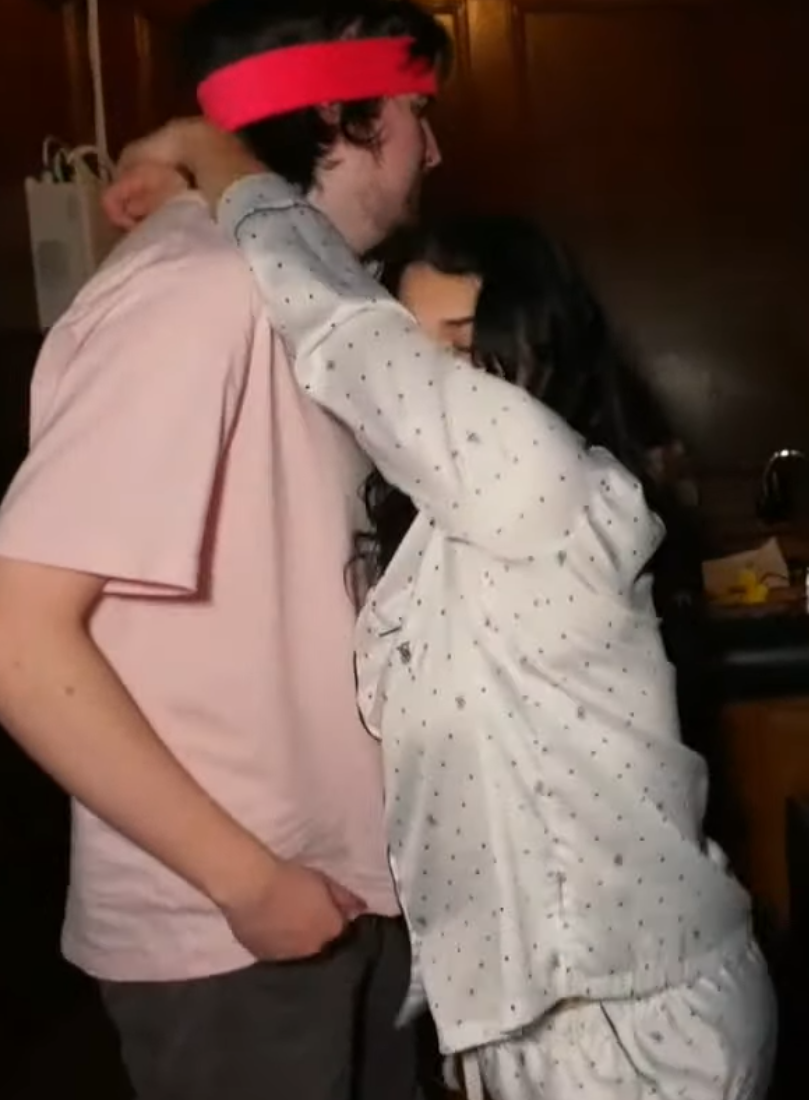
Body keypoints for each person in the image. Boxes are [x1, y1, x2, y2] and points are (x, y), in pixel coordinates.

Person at [106, 120, 777, 1100]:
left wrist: (214, 159)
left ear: (541, 349)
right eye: (418, 347)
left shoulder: (540, 478)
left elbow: (343, 334)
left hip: (628, 1022)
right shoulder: (442, 535)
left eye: (463, 350)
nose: (433, 383)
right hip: (541, 1017)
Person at [0, 0, 451, 1099]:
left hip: (343, 889)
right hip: (239, 926)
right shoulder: (197, 290)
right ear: (344, 111)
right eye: (415, 113)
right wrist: (246, 880)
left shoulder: (296, 289)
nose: (433, 150)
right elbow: (17, 636)